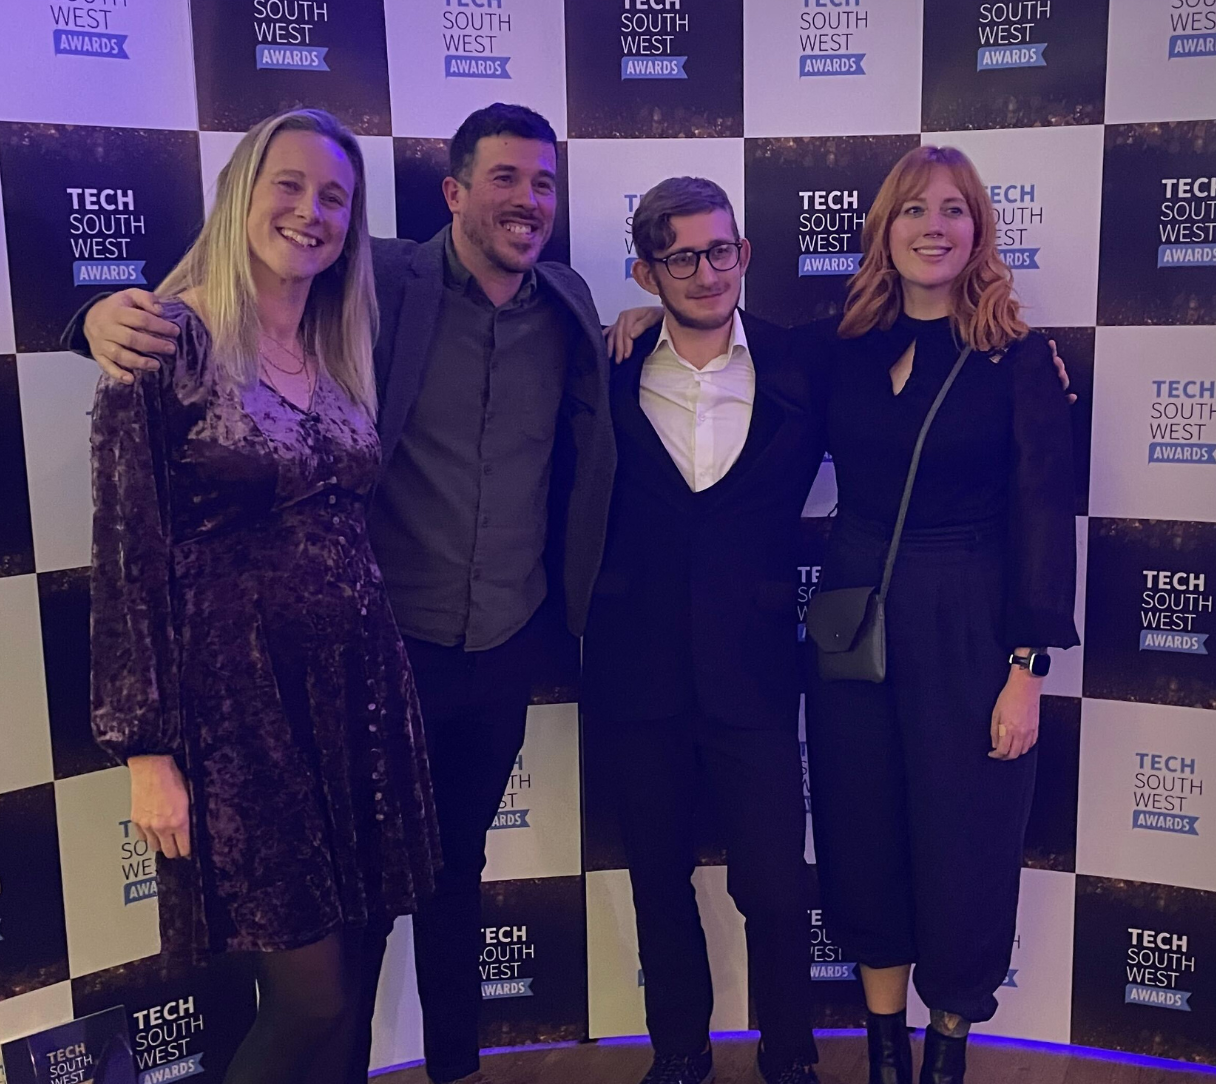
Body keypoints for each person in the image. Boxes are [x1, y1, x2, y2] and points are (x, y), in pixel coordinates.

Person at [77, 104, 614, 1084]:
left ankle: (455, 1067)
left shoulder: (556, 304)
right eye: (503, 178)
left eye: (543, 183)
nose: (527, 200)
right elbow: (127, 548)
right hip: (305, 685)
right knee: (327, 967)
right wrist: (91, 318)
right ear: (453, 192)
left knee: (449, 875)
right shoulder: (380, 285)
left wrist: (655, 318)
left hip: (447, 661)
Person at [89, 108, 439, 1084]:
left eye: (334, 197)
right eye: (288, 185)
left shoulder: (339, 341)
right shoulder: (166, 342)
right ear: (241, 192)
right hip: (241, 721)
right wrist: (145, 750)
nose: (309, 211)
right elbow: (125, 556)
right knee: (308, 998)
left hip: (359, 701)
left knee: (351, 985)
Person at [805, 145, 1078, 1084]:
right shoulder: (839, 347)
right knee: (860, 830)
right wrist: (646, 312)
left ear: (979, 229)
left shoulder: (1021, 360)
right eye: (913, 209)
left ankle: (945, 1054)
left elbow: (1043, 516)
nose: (933, 226)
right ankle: (884, 1050)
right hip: (853, 620)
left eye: (953, 209)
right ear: (884, 229)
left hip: (970, 623)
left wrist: (1027, 670)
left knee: (968, 843)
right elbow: (728, 339)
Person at [582, 178, 827, 1084]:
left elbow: (910, 379)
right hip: (633, 668)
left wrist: (1030, 363)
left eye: (720, 250)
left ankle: (790, 1056)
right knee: (658, 876)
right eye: (680, 257)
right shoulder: (605, 367)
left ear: (744, 254)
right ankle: (680, 1052)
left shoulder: (803, 364)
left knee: (777, 885)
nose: (706, 271)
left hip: (755, 670)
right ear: (647, 273)